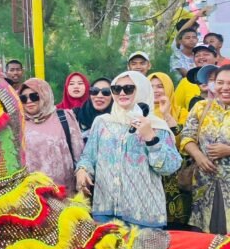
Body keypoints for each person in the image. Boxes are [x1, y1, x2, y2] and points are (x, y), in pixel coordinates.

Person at [76, 71, 181, 228]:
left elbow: (169, 167)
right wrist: (82, 170)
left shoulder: (156, 126)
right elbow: (88, 156)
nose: (122, 93)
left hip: (144, 216)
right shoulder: (102, 122)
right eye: (116, 89)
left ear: (142, 90)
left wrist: (150, 137)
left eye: (129, 88)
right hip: (105, 212)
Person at [181, 65, 230, 234]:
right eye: (220, 82)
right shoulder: (201, 107)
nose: (225, 87)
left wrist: (228, 150)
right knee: (203, 235)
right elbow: (187, 136)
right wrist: (198, 156)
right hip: (203, 184)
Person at [20, 79, 84, 194]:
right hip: (32, 195)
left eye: (34, 96)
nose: (29, 101)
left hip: (65, 193)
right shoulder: (19, 124)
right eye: (23, 98)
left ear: (44, 95)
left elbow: (79, 154)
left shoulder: (64, 117)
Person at [148, 72, 191, 230]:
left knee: (177, 225)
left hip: (175, 177)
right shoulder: (139, 112)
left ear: (168, 88)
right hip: (149, 175)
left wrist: (166, 114)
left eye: (160, 86)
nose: (155, 90)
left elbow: (182, 141)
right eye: (151, 86)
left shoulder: (181, 112)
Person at [174, 43, 219, 112]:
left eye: (206, 54)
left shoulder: (226, 78)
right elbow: (176, 108)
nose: (201, 57)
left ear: (216, 57)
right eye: (197, 55)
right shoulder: (186, 81)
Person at [73, 77, 113, 143]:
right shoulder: (74, 116)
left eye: (106, 92)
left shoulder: (119, 121)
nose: (99, 96)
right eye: (95, 91)